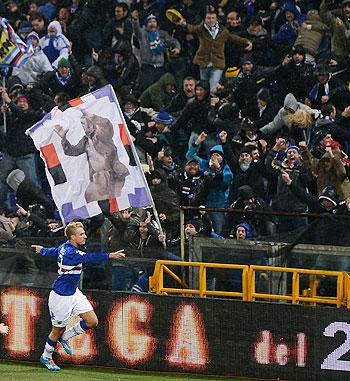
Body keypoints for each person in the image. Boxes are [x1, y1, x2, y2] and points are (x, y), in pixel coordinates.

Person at [31, 221, 126, 371]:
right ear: (73, 237)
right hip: (61, 297)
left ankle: (65, 337)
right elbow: (90, 257)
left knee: (92, 321)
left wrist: (42, 250)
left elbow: (53, 251)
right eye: (81, 234)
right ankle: (46, 357)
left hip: (74, 293)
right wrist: (111, 255)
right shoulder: (72, 253)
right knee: (57, 330)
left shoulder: (64, 247)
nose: (85, 236)